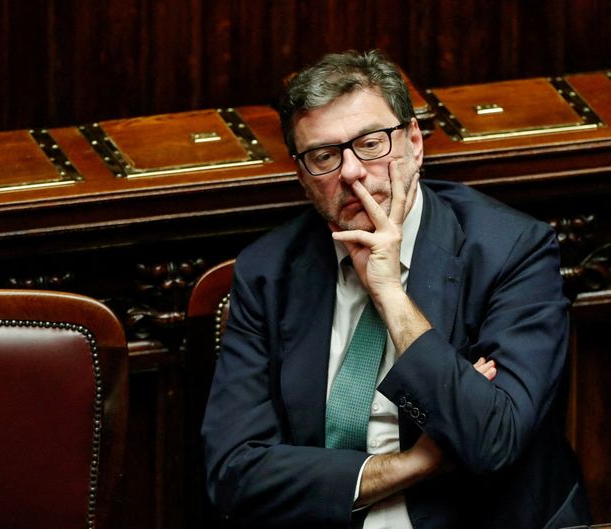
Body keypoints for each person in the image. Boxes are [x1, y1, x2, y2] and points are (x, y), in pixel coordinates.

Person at [201, 49, 592, 528]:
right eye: (324, 156)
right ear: (303, 176)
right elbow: (235, 473)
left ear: (413, 143)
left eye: (371, 144)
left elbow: (492, 441)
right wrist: (413, 464)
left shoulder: (511, 250)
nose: (351, 173)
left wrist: (389, 294)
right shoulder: (269, 271)